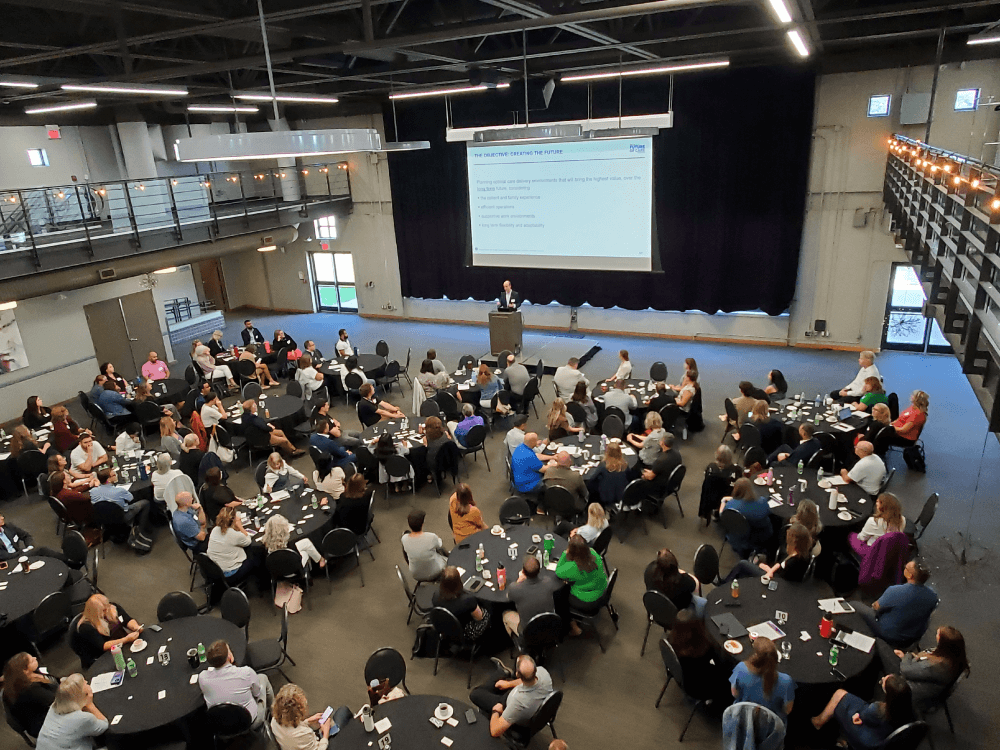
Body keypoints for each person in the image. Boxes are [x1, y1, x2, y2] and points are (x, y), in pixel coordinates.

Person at [811, 674, 913, 748]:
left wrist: (858, 717)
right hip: (884, 733)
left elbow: (859, 717)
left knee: (839, 694)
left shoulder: (877, 709)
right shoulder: (907, 707)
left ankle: (818, 722)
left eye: (883, 682)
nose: (881, 678)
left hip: (867, 739)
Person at [853, 561, 938, 648]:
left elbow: (876, 607)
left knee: (856, 604)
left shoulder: (895, 591)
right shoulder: (933, 596)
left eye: (906, 568)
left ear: (910, 575)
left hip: (889, 635)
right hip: (911, 638)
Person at [470, 654, 554, 740]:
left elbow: (494, 731)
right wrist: (508, 684)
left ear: (517, 674)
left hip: (509, 707)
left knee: (476, 694)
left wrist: (496, 711)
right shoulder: (543, 673)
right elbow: (527, 681)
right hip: (527, 701)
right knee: (497, 685)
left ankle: (501, 673)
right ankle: (501, 673)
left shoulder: (518, 703)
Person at [199, 640, 274, 730]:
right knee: (262, 677)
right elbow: (257, 694)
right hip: (250, 722)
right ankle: (275, 713)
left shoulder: (202, 677)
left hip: (221, 726)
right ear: (229, 657)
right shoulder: (246, 672)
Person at [894, 626, 970, 714]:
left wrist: (907, 656)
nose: (936, 634)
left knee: (883, 648)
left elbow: (905, 670)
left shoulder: (936, 666)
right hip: (930, 686)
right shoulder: (955, 658)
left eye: (938, 634)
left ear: (943, 642)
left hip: (914, 692)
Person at [730, 638, 795, 726]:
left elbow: (735, 693)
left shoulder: (741, 668)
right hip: (771, 728)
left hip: (742, 720)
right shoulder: (786, 681)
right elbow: (787, 710)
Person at [35, 674, 108, 750]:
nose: (87, 682)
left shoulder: (54, 706)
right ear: (82, 693)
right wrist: (89, 704)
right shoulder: (83, 718)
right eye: (85, 683)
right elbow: (104, 725)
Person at [555, 535, 608, 636]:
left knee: (560, 598)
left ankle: (573, 627)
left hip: (588, 600)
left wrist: (565, 554)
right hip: (602, 591)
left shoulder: (574, 567)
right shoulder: (593, 553)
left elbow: (558, 572)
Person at [271, 683, 350, 750]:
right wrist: (326, 734)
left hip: (293, 745)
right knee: (344, 711)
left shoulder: (274, 721)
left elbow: (291, 727)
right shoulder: (304, 734)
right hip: (316, 745)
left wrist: (308, 721)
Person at [72, 595, 142, 670]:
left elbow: (127, 620)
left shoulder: (112, 608)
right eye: (103, 610)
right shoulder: (86, 627)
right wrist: (126, 639)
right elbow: (103, 645)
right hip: (103, 656)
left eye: (107, 607)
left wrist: (135, 627)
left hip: (121, 646)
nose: (107, 610)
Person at [502, 555, 562, 637]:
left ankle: (520, 642)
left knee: (506, 614)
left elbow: (507, 596)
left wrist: (519, 581)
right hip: (549, 627)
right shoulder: (548, 582)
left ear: (523, 571)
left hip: (529, 634)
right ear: (539, 570)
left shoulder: (515, 588)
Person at [2, 652, 59, 739]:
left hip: (52, 705)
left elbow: (53, 678)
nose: (35, 658)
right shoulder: (28, 690)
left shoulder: (36, 670)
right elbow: (54, 700)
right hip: (44, 723)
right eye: (32, 660)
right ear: (25, 670)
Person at [90, 467, 153, 537]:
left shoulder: (93, 492)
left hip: (104, 520)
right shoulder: (119, 491)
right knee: (145, 502)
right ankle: (141, 530)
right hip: (122, 516)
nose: (116, 476)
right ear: (108, 480)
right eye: (114, 475)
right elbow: (131, 498)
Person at [644, 548, 706, 616]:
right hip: (680, 615)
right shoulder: (682, 580)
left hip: (659, 612)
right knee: (707, 605)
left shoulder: (649, 572)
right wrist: (682, 573)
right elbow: (694, 585)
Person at [719, 478, 772, 557]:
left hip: (738, 536)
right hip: (760, 536)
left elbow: (722, 514)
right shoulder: (762, 502)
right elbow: (768, 512)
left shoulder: (731, 505)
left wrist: (723, 501)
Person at [434, 566, 490, 639]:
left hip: (445, 629)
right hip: (463, 633)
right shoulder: (467, 600)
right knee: (486, 613)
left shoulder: (436, 595)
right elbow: (479, 618)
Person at [207, 506, 259, 585]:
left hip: (216, 571)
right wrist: (240, 526)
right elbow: (248, 541)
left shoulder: (214, 529)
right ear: (234, 519)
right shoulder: (234, 535)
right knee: (254, 557)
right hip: (231, 574)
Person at [849, 493, 906, 561]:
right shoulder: (902, 520)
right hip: (890, 551)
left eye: (878, 502)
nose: (876, 503)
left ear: (882, 507)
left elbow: (862, 538)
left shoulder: (874, 522)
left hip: (873, 552)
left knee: (851, 536)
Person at [0, 513, 67, 563]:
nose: (2, 517)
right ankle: (70, 562)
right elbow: (6, 556)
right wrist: (24, 552)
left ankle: (68, 562)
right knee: (42, 551)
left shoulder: (8, 527)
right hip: (8, 562)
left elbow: (26, 536)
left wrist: (29, 546)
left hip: (20, 555)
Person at [401, 509, 447, 582]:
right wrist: (437, 538)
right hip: (434, 572)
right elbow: (439, 544)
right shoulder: (431, 537)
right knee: (447, 558)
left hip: (416, 574)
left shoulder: (404, 539)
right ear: (422, 524)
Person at [591, 442, 629, 508]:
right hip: (621, 494)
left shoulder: (604, 465)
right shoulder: (625, 465)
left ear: (607, 453)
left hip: (607, 496)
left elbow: (592, 479)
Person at [511, 433, 549, 498]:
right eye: (536, 441)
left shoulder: (521, 447)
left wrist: (552, 457)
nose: (537, 442)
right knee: (549, 482)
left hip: (518, 480)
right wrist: (556, 464)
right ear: (532, 442)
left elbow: (536, 455)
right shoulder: (529, 456)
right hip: (526, 485)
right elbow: (544, 470)